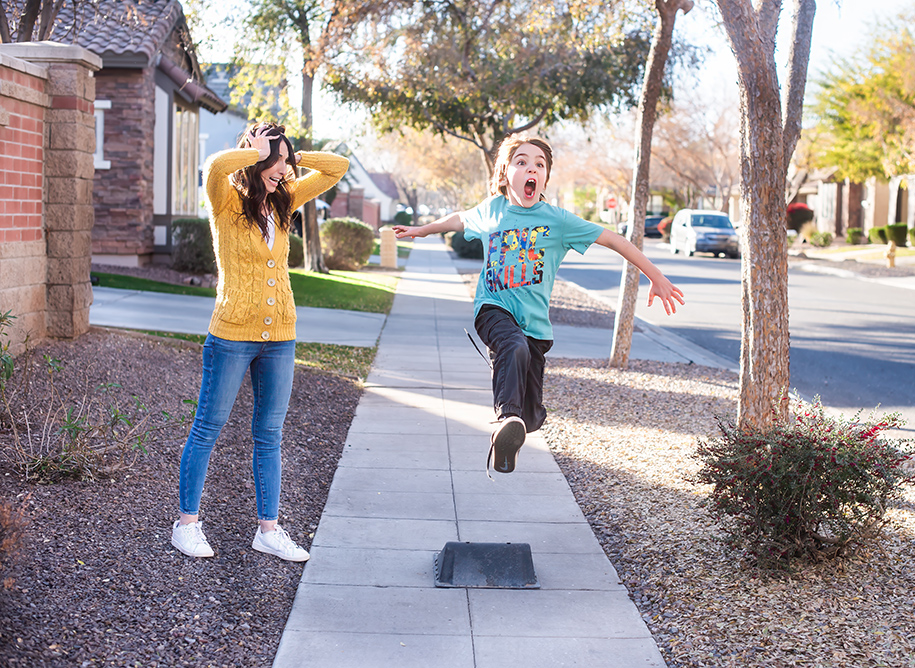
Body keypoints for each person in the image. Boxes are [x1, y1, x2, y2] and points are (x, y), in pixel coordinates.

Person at [394, 134, 684, 474]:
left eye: (539, 164)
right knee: (512, 347)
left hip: (535, 325)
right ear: (504, 174)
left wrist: (655, 275)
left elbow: (614, 239)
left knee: (531, 415)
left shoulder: (558, 221)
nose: (531, 168)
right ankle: (506, 418)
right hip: (493, 309)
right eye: (521, 162)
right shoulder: (492, 210)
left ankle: (512, 433)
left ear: (544, 178)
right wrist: (422, 230)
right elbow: (458, 219)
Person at [171, 122, 349, 561]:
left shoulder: (284, 203)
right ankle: (186, 525)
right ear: (254, 160)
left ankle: (268, 530)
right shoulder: (225, 200)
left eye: (285, 161)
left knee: (269, 434)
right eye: (276, 161)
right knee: (208, 428)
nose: (282, 169)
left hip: (280, 337)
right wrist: (256, 153)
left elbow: (337, 168)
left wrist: (293, 157)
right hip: (232, 333)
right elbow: (214, 166)